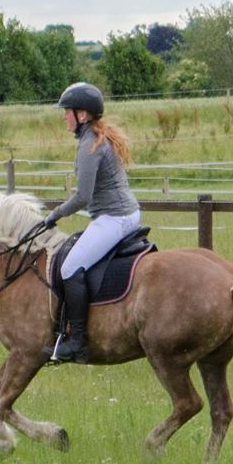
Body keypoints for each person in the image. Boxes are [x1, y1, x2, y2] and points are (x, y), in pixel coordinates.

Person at [42, 82, 141, 363]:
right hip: (120, 214)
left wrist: (55, 215)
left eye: (67, 112)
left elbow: (83, 197)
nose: (64, 116)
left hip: (115, 218)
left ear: (82, 115)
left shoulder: (90, 146)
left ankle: (78, 342)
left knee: (71, 267)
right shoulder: (95, 137)